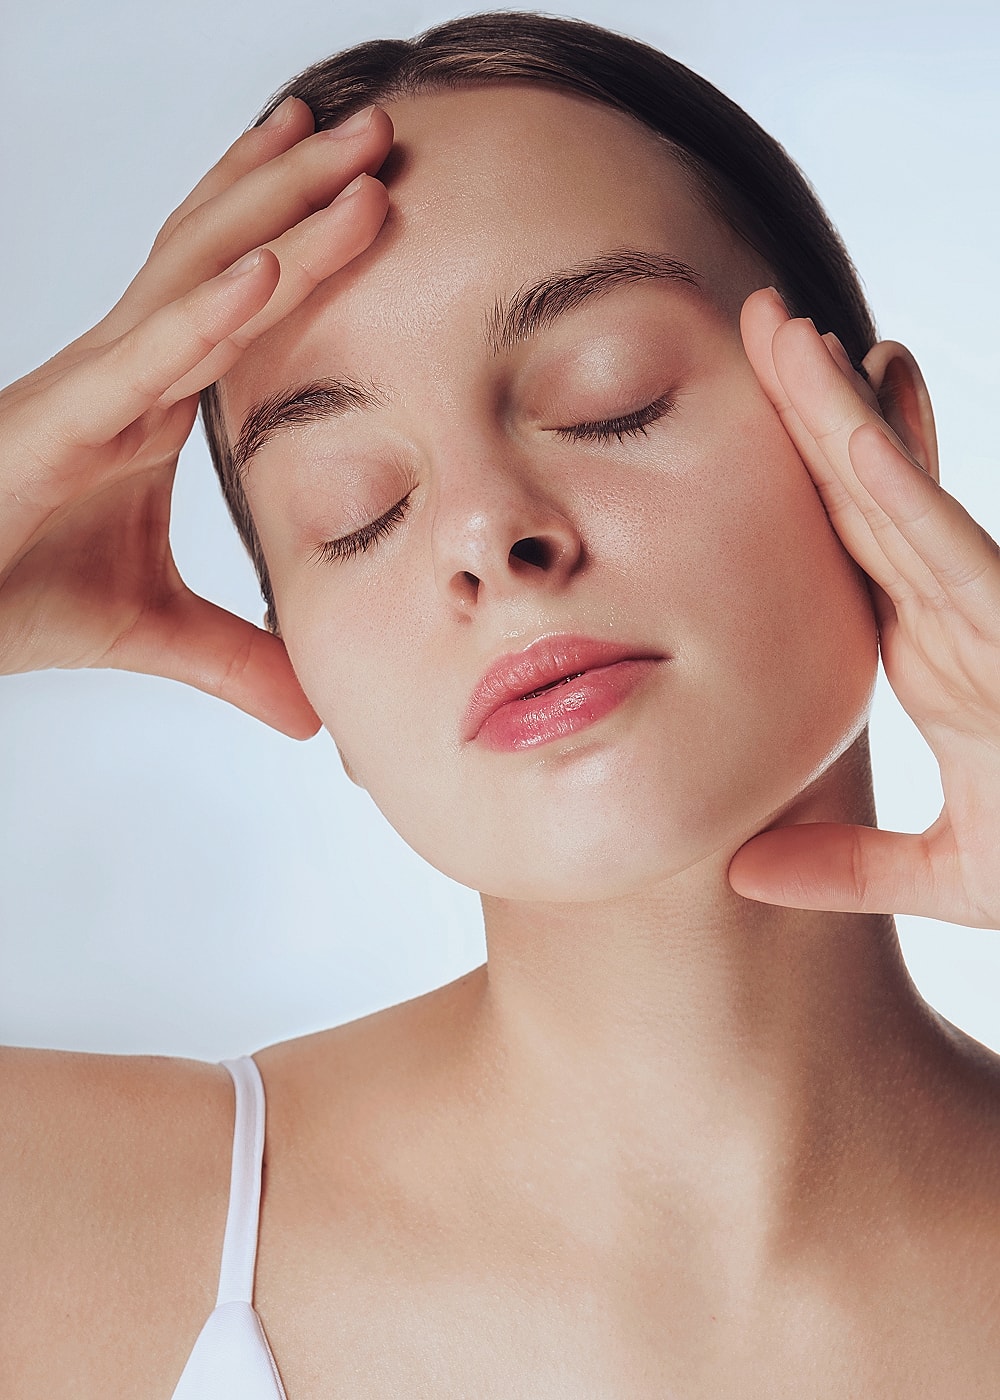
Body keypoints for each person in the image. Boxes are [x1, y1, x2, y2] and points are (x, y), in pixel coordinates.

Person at [2, 10, 999, 1396]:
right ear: (304, 658)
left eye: (609, 401)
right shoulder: (92, 1233)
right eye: (357, 512)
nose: (483, 532)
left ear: (884, 444)